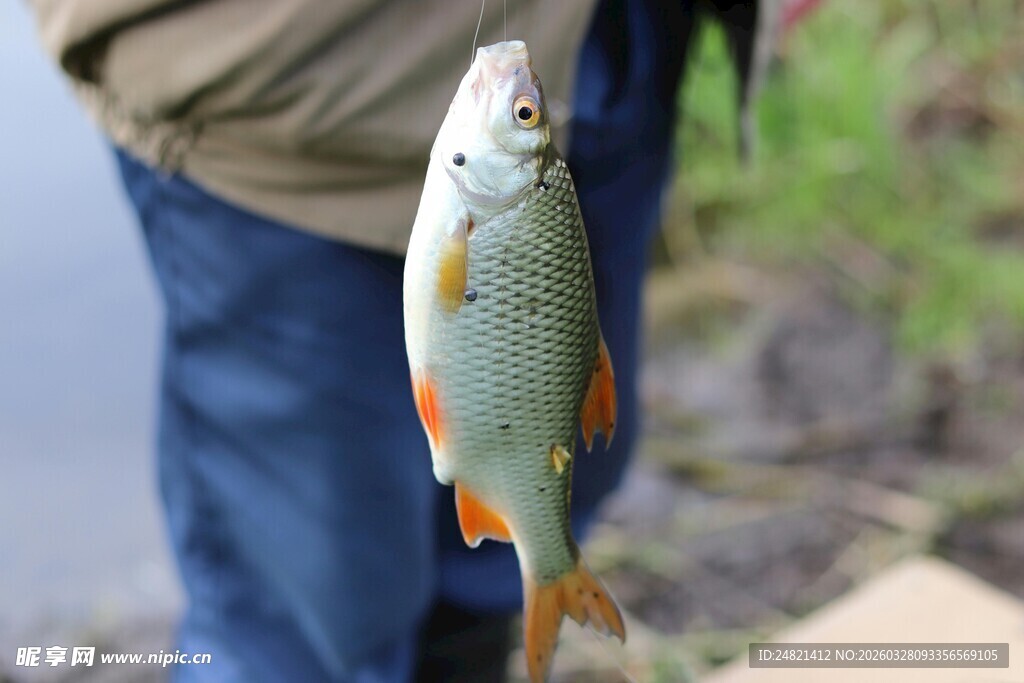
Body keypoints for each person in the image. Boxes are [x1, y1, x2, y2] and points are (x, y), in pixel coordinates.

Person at [31, 0, 771, 680]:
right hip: (292, 104)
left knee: (483, 570)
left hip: (621, 44)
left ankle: (522, 589)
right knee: (301, 620)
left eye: (520, 109)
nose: (515, 95)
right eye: (520, 110)